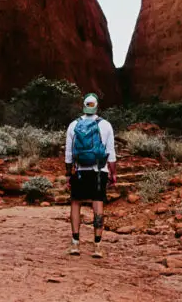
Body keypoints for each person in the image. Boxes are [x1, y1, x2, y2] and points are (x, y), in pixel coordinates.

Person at [64, 93, 116, 258]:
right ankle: (97, 246)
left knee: (75, 203)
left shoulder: (73, 125)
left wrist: (68, 174)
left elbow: (68, 154)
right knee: (98, 204)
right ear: (97, 107)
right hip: (99, 171)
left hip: (79, 170)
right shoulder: (106, 125)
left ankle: (75, 243)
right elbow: (110, 153)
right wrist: (113, 173)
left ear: (84, 106)